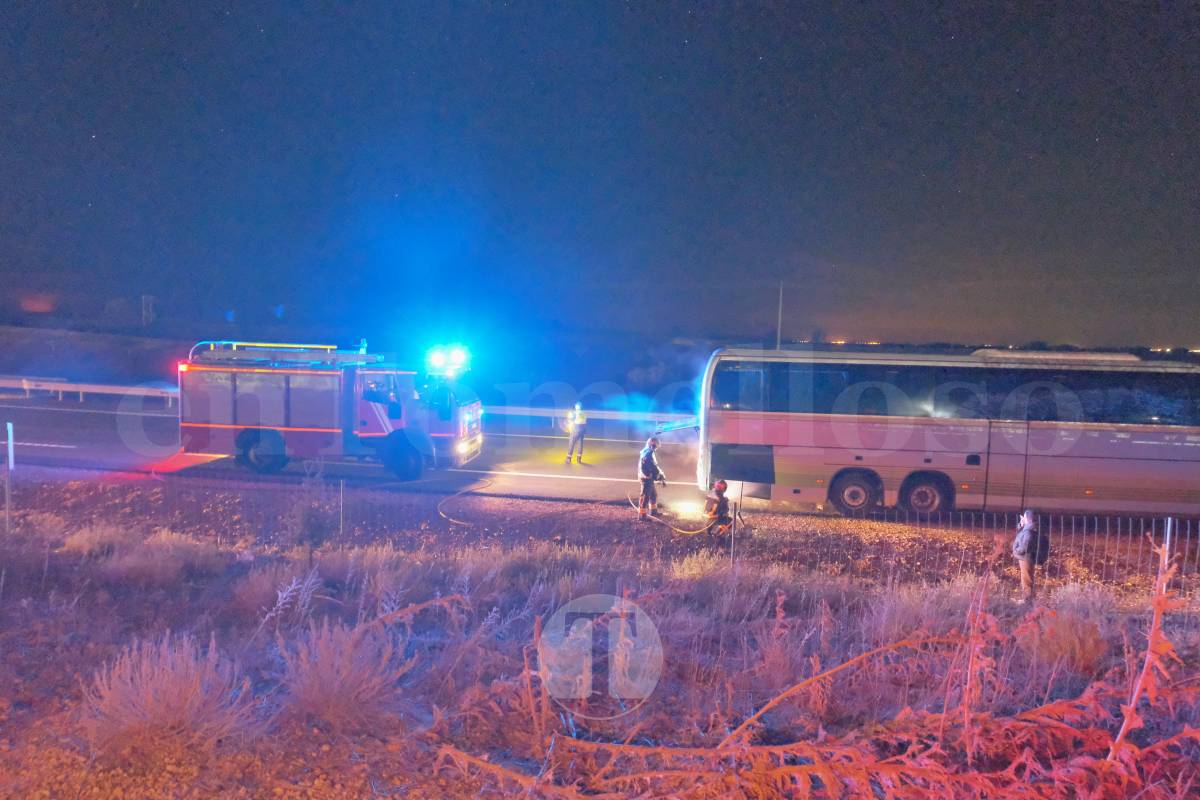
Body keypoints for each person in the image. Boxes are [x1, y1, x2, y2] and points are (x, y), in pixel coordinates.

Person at [1011, 509, 1048, 603]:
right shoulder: (1030, 527)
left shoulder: (1030, 530)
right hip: (1027, 556)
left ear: (1027, 518)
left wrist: (1017, 550)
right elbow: (1021, 533)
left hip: (1026, 557)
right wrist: (1021, 525)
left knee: (1027, 578)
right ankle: (1027, 598)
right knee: (1026, 577)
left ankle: (1028, 600)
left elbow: (1025, 543)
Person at [637, 436, 666, 519]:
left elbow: (654, 466)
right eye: (656, 445)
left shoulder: (649, 451)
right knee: (645, 497)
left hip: (649, 478)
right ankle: (642, 516)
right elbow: (651, 467)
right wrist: (658, 476)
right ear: (652, 444)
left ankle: (653, 512)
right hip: (646, 478)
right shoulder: (647, 453)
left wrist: (659, 475)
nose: (657, 447)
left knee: (653, 495)